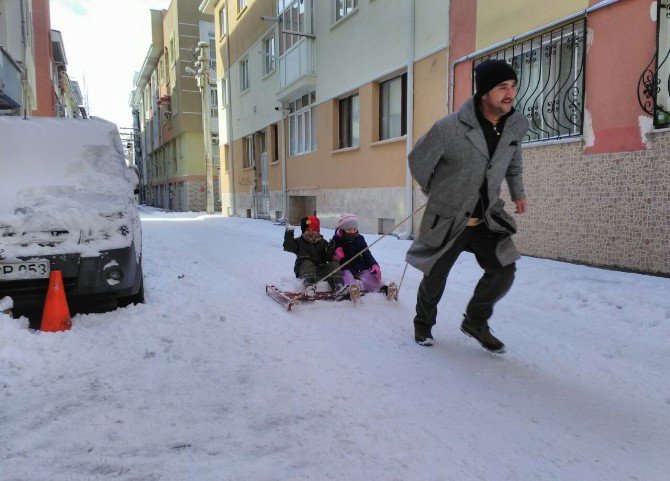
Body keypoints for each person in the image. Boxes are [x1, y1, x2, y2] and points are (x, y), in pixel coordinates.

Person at [405, 59, 529, 353]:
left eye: (513, 86)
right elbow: (418, 161)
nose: (510, 93)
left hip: (487, 217)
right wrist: (436, 190)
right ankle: (423, 325)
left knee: (504, 269)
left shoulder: (515, 124)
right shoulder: (449, 128)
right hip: (449, 217)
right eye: (502, 87)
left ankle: (475, 321)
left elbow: (514, 161)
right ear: (484, 92)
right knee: (435, 274)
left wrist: (517, 193)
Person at [283, 215, 343, 296]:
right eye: (308, 230)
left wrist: (329, 249)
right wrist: (289, 233)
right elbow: (288, 246)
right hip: (304, 270)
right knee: (307, 263)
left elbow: (328, 257)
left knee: (334, 265)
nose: (311, 232)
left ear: (318, 231)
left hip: (320, 269)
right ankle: (310, 287)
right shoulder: (299, 242)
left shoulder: (322, 242)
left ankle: (338, 286)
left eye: (314, 230)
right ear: (303, 231)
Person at [331, 214, 384, 296]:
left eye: (354, 229)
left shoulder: (360, 238)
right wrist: (336, 255)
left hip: (359, 265)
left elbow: (366, 253)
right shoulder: (336, 239)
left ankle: (382, 289)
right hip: (345, 266)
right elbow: (330, 256)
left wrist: (374, 264)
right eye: (349, 229)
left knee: (368, 275)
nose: (352, 231)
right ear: (342, 229)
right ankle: (350, 289)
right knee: (347, 276)